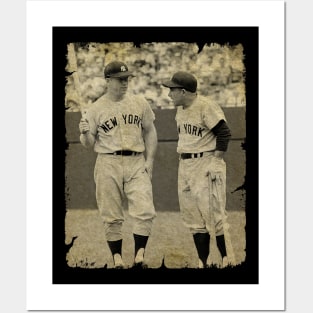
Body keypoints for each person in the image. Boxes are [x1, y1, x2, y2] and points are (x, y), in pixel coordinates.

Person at [79, 61, 158, 269]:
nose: (125, 83)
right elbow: (88, 144)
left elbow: (149, 130)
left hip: (136, 161)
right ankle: (117, 259)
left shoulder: (140, 103)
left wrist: (150, 160)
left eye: (127, 79)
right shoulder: (96, 109)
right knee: (111, 215)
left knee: (145, 210)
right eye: (120, 79)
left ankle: (139, 256)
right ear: (108, 81)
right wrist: (85, 132)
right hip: (108, 161)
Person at [162, 71, 232, 269]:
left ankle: (227, 260)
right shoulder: (181, 109)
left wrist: (216, 161)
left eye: (172, 90)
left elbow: (224, 132)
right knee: (192, 217)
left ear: (183, 91)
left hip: (205, 161)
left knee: (214, 215)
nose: (169, 95)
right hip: (185, 164)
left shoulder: (206, 106)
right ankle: (204, 263)